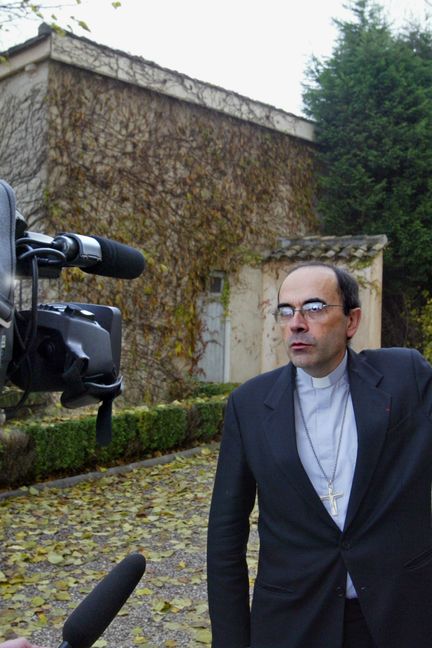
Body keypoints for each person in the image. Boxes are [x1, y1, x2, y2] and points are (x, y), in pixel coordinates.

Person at [207, 261, 432, 648]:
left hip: (399, 615)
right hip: (293, 621)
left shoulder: (404, 377)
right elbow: (226, 537)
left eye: (313, 308)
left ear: (351, 321)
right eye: (286, 310)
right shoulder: (249, 405)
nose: (296, 323)